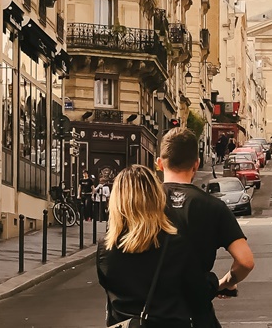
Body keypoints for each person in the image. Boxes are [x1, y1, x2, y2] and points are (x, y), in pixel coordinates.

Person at [96, 165, 218, 327]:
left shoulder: (106, 247)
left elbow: (110, 290)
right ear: (156, 197)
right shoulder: (175, 243)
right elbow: (198, 296)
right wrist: (214, 282)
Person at [159, 128, 255, 328]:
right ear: (196, 164)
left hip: (143, 314)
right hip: (194, 315)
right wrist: (226, 282)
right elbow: (245, 261)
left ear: (160, 163)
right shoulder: (213, 207)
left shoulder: (139, 204)